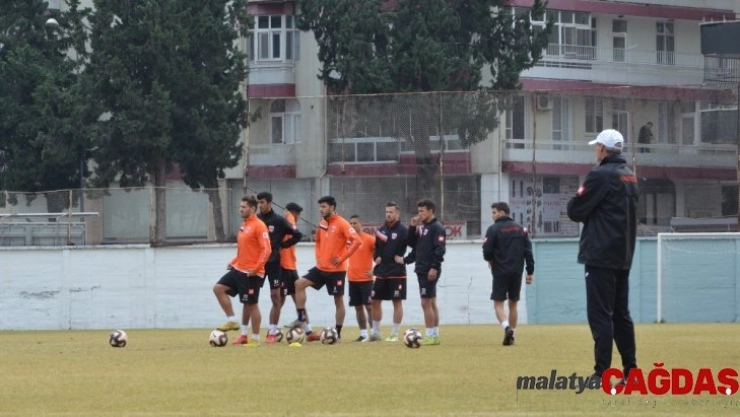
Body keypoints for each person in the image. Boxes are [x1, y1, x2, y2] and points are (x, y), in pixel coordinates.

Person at [567, 129, 639, 384]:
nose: (595, 150)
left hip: (600, 254)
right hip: (623, 254)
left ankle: (602, 372)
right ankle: (631, 371)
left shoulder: (600, 175)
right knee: (621, 314)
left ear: (602, 148)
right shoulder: (629, 175)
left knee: (600, 314)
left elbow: (575, 210)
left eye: (596, 146)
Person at [287, 196, 361, 341]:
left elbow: (357, 241)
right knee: (299, 284)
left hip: (337, 270)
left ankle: (337, 333)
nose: (320, 209)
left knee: (338, 301)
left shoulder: (342, 223)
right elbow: (318, 240)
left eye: (324, 207)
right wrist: (319, 258)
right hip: (321, 268)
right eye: (320, 207)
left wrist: (342, 258)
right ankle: (301, 319)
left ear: (332, 207)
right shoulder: (322, 223)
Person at [213, 195, 271, 346]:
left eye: (243, 207)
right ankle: (233, 321)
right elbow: (244, 249)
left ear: (252, 208)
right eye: (240, 206)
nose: (240, 209)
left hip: (251, 272)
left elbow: (266, 250)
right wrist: (234, 262)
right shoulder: (244, 225)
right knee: (218, 288)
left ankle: (255, 338)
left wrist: (256, 269)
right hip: (238, 269)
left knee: (251, 305)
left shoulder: (259, 225)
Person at [482, 202, 534, 346]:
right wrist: (530, 271)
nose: (492, 215)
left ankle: (506, 328)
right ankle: (513, 334)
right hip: (517, 271)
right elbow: (528, 252)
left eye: (494, 212)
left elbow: (487, 250)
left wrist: (490, 260)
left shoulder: (493, 229)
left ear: (502, 212)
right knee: (513, 304)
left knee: (498, 304)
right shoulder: (521, 229)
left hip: (500, 271)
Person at [256, 192, 303, 344]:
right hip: (258, 264)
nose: (260, 205)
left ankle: (272, 332)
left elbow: (297, 235)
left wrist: (283, 245)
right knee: (251, 298)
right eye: (258, 202)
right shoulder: (256, 220)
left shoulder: (279, 221)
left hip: (274, 264)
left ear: (270, 203)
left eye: (262, 202)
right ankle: (250, 334)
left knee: (276, 297)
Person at [405, 198, 446, 346]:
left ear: (430, 211)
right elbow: (411, 243)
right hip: (421, 268)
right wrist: (412, 227)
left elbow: (440, 249)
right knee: (431, 302)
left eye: (422, 211)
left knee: (425, 302)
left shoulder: (437, 227)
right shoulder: (422, 227)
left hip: (429, 269)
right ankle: (434, 334)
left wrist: (434, 267)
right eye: (418, 211)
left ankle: (429, 335)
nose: (419, 214)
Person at [369, 201, 409, 342]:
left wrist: (405, 259)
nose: (388, 214)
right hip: (381, 272)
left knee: (396, 302)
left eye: (391, 212)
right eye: (386, 212)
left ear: (397, 214)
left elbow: (417, 247)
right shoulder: (381, 230)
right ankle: (375, 333)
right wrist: (376, 257)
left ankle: (394, 334)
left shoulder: (404, 230)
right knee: (375, 301)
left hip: (397, 273)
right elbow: (376, 249)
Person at [347, 215, 375, 342]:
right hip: (352, 279)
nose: (352, 225)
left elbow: (380, 256)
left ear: (361, 224)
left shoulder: (369, 239)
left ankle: (374, 333)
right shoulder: (348, 240)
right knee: (358, 307)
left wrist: (374, 271)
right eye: (351, 223)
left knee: (369, 306)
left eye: (355, 223)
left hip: (366, 280)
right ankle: (363, 334)